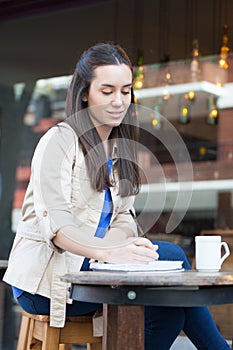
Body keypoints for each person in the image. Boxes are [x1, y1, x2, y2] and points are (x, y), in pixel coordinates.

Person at [3, 42, 230, 350]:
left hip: (94, 274)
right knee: (173, 256)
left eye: (125, 91)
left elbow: (124, 215)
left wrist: (121, 246)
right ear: (85, 92)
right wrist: (109, 253)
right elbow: (56, 226)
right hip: (48, 282)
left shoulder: (120, 149)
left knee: (168, 315)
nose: (118, 101)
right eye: (107, 91)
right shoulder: (58, 141)